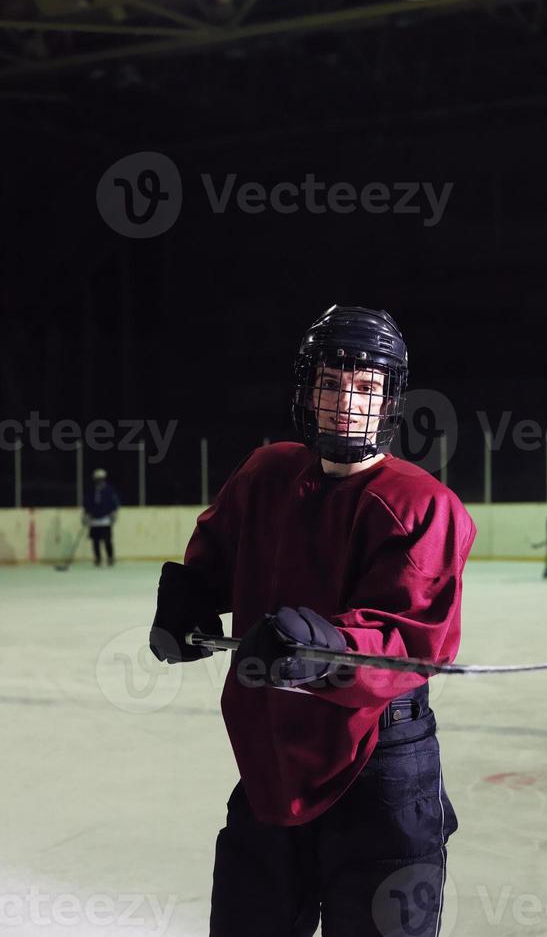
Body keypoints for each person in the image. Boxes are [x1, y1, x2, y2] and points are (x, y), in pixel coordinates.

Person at [149, 305, 477, 937]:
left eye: (364, 386)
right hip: (273, 759)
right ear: (307, 391)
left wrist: (324, 646)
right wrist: (188, 599)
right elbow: (216, 553)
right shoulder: (267, 472)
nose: (345, 401)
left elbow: (407, 639)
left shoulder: (421, 504)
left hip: (380, 762)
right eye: (331, 383)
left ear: (388, 401)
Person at [82, 468, 120, 567]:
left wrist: (114, 513)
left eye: (101, 479)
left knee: (107, 540)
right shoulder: (91, 490)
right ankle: (97, 558)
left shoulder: (109, 490)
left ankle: (110, 557)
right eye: (97, 479)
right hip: (94, 520)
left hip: (105, 520)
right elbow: (87, 504)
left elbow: (114, 503)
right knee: (95, 541)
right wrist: (86, 514)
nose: (99, 481)